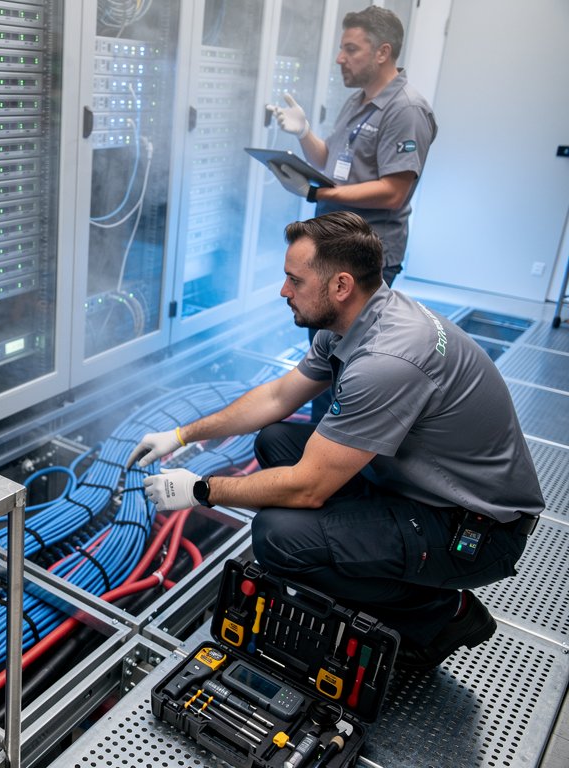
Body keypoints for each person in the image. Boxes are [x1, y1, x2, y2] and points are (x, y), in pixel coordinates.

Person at [127, 212, 544, 671]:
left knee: (278, 538)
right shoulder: (355, 320)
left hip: (476, 531)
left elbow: (308, 488)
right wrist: (181, 434)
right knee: (278, 440)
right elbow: (277, 396)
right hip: (417, 489)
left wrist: (200, 489)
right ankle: (362, 558)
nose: (284, 291)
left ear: (341, 285)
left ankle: (445, 614)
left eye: (294, 280)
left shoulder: (388, 359)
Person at [267, 5, 437, 288]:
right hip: (335, 244)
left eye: (351, 49)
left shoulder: (406, 109)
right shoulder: (357, 101)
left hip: (367, 255)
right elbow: (326, 159)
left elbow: (393, 193)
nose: (339, 58)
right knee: (322, 332)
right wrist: (304, 131)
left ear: (382, 53)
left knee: (349, 333)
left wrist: (316, 193)